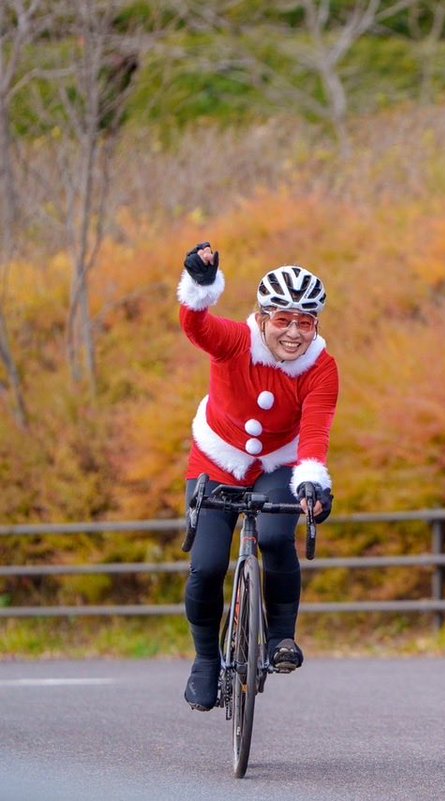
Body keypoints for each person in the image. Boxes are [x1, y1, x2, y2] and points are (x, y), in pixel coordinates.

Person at [176, 241, 338, 711]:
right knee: (207, 566)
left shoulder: (321, 368)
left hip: (278, 463)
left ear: (316, 326)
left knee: (273, 538)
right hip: (216, 459)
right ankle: (206, 660)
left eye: (304, 323)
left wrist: (311, 480)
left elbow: (316, 427)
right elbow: (196, 326)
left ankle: (281, 639)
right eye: (283, 320)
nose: (293, 333)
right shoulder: (234, 343)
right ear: (262, 317)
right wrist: (201, 284)